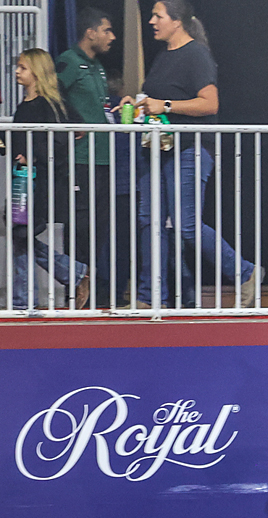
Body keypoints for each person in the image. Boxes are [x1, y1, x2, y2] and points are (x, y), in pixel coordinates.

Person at [121, 0, 260, 308]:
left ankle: (245, 272)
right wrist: (139, 102)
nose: (152, 21)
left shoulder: (196, 53)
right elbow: (156, 99)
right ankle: (149, 296)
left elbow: (210, 103)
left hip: (189, 149)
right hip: (157, 150)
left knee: (187, 224)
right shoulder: (162, 56)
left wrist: (166, 105)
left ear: (176, 20)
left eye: (158, 16)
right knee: (148, 221)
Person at [8, 48, 90, 310]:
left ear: (37, 72)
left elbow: (70, 133)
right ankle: (71, 275)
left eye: (23, 67)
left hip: (40, 179)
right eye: (18, 67)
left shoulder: (49, 104)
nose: (17, 72)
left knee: (20, 231)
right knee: (18, 231)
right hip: (22, 178)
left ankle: (25, 301)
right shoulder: (27, 105)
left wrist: (34, 155)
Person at [56, 7, 117, 306]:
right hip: (80, 160)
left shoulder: (98, 68)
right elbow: (52, 95)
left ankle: (92, 291)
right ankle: (73, 290)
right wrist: (73, 119)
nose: (112, 37)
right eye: (107, 30)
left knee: (99, 229)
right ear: (90, 32)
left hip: (104, 160)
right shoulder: (69, 60)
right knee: (79, 227)